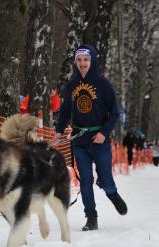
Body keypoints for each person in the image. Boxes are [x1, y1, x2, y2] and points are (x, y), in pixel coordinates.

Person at [55, 44, 128, 231]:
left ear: (92, 61)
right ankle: (91, 218)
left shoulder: (103, 84)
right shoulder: (71, 85)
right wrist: (59, 130)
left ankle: (112, 193)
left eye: (86, 60)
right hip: (79, 139)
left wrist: (104, 133)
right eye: (79, 60)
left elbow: (114, 113)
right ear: (75, 62)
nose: (82, 63)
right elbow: (64, 110)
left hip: (99, 139)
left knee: (105, 178)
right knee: (85, 179)